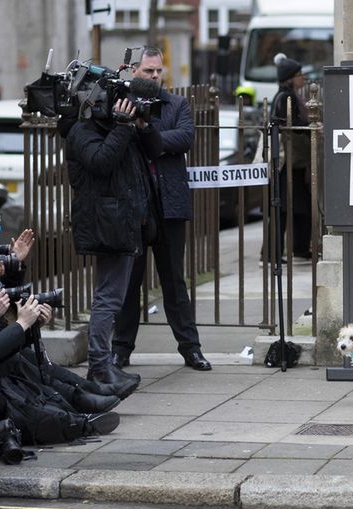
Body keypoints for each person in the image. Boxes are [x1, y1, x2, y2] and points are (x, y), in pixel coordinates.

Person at [111, 46, 212, 372]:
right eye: (148, 71)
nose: (154, 76)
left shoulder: (177, 104)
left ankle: (191, 349)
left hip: (169, 205)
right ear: (135, 71)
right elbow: (118, 142)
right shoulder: (121, 103)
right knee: (129, 284)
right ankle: (120, 350)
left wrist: (147, 132)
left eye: (158, 71)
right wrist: (144, 133)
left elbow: (184, 138)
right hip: (135, 207)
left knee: (174, 282)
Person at [66, 89, 161, 384]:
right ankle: (98, 365)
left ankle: (103, 364)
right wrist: (122, 127)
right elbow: (100, 162)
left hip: (123, 221)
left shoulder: (119, 127)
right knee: (108, 297)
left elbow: (154, 151)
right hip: (107, 223)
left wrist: (142, 126)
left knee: (113, 296)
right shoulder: (83, 131)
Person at [269, 52, 313, 262]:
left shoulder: (287, 95)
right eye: (299, 74)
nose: (303, 78)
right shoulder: (286, 97)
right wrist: (312, 127)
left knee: (294, 208)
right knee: (284, 209)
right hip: (288, 161)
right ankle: (274, 253)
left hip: (292, 161)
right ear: (290, 77)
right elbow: (291, 125)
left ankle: (296, 249)